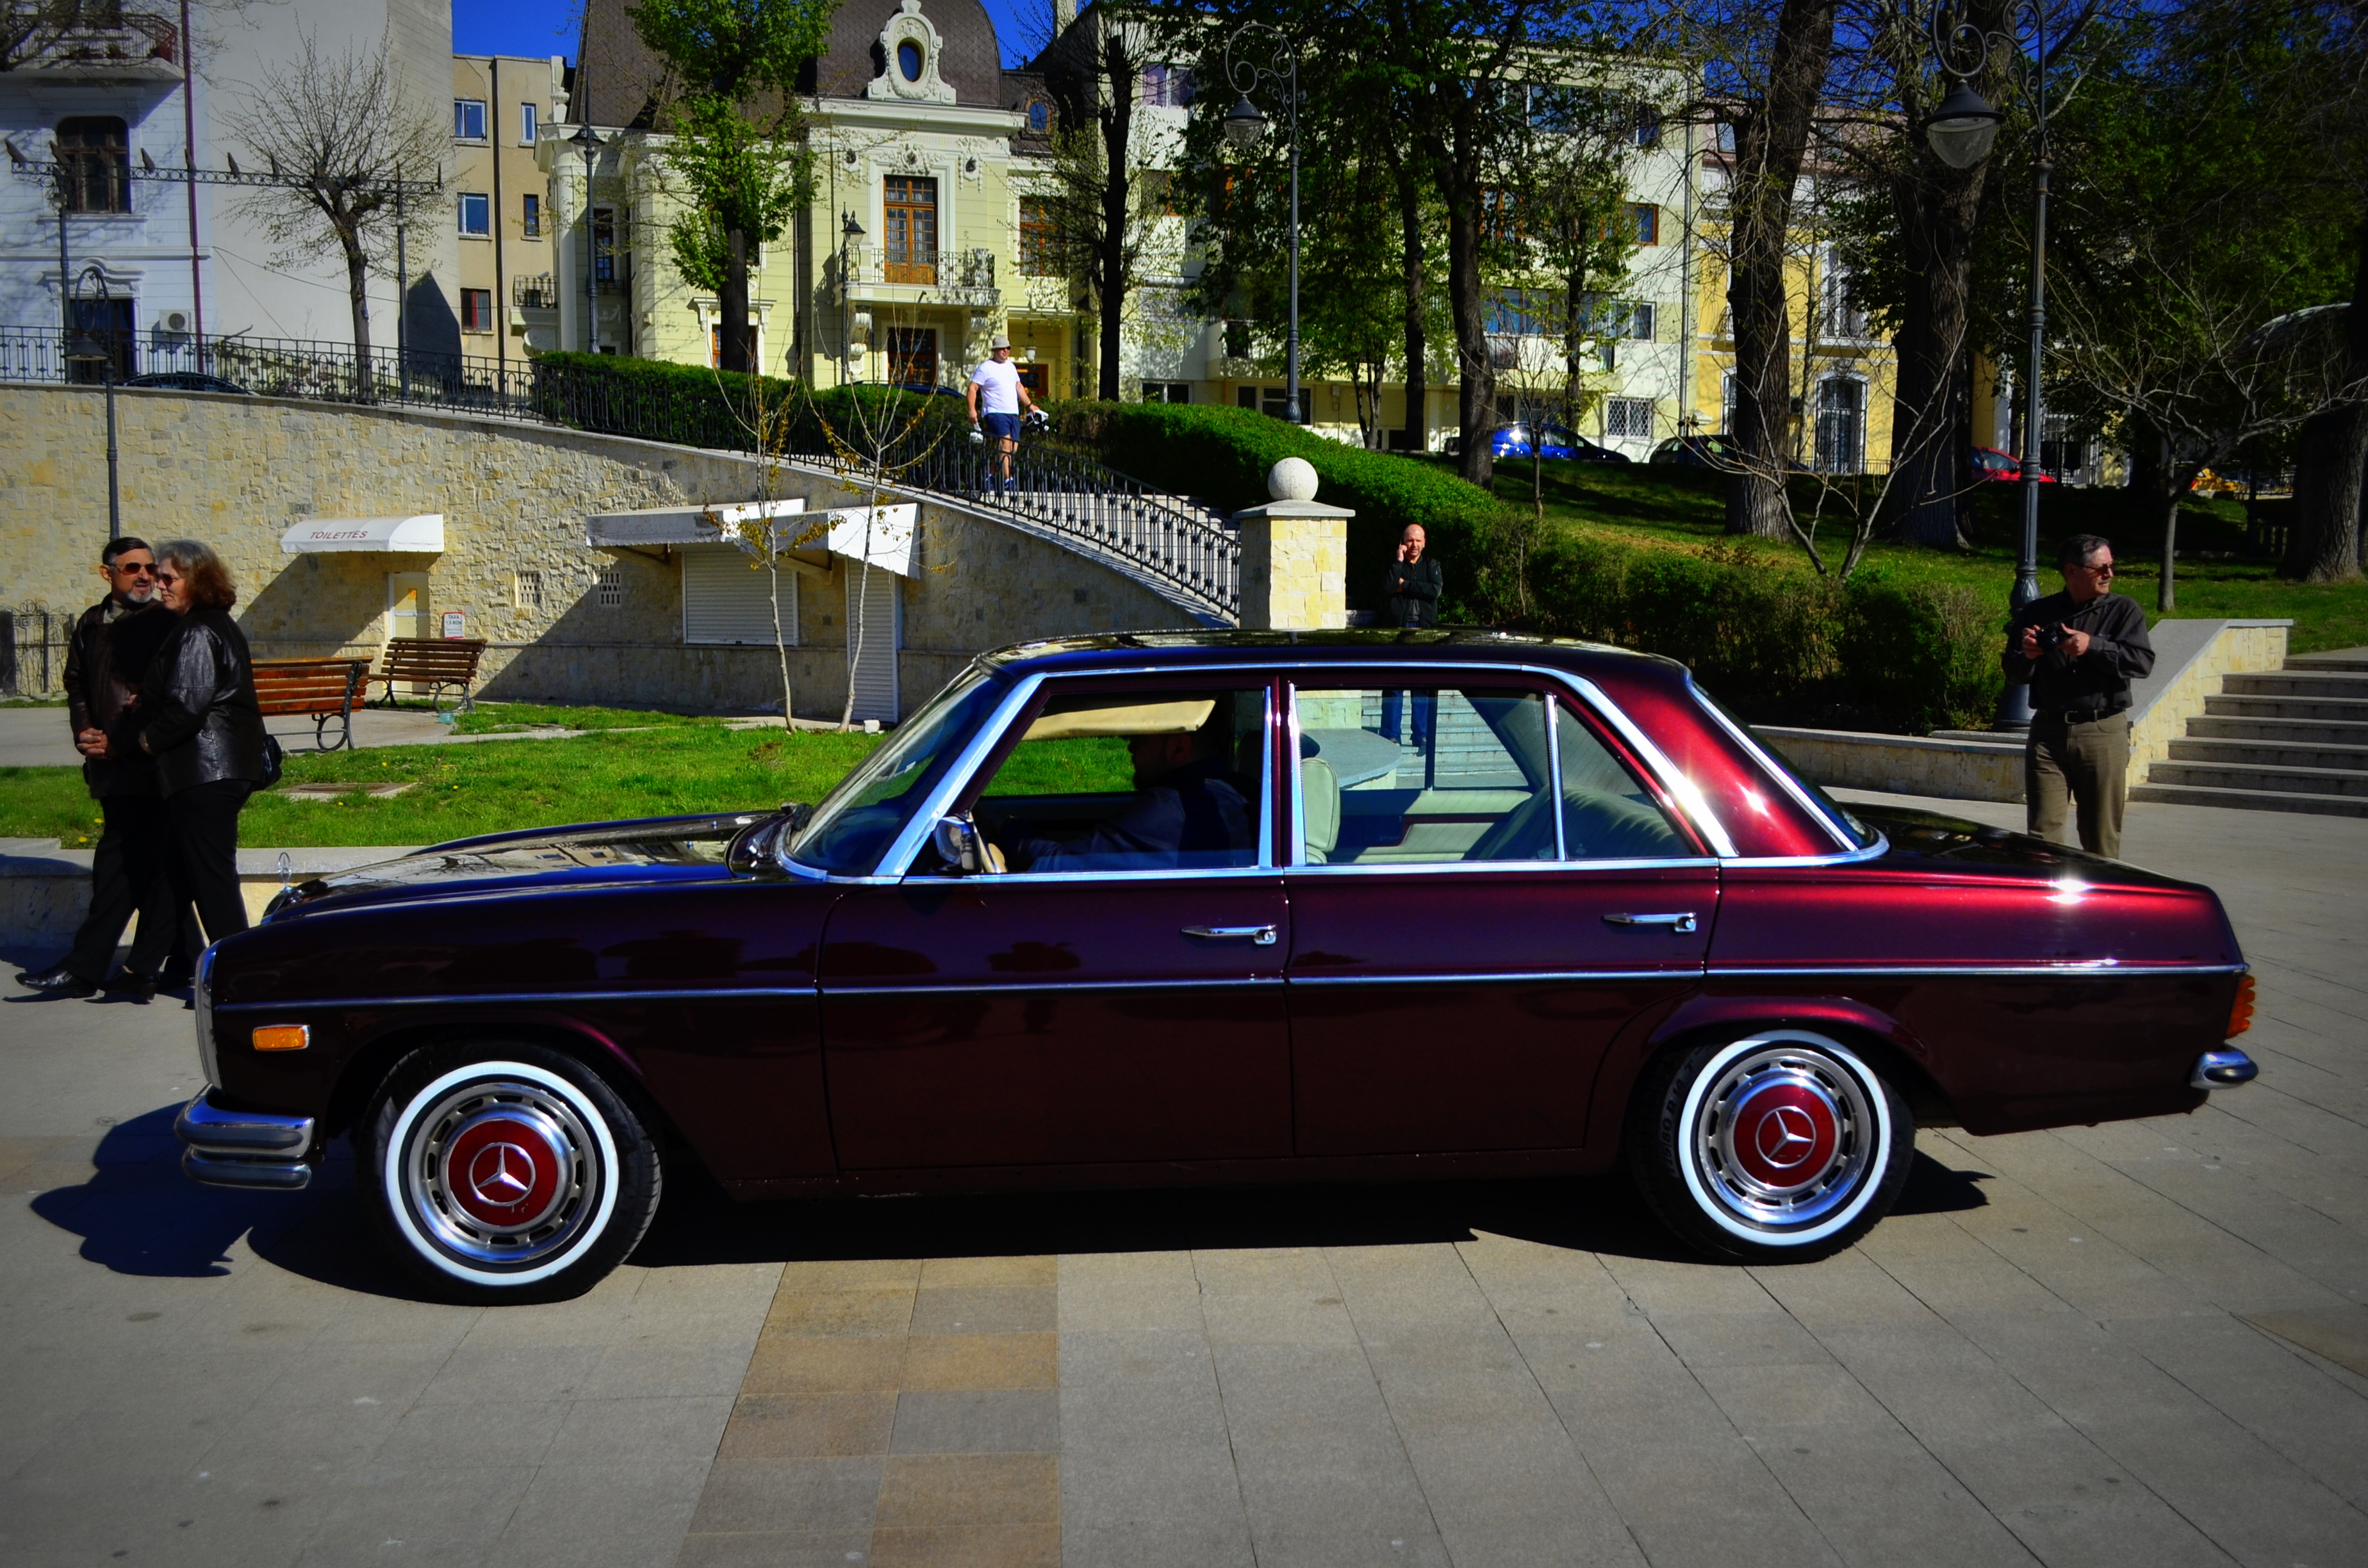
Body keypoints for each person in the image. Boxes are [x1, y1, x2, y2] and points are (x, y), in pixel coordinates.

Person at [14, 537, 202, 1001]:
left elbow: (163, 697)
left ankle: (86, 967)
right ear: (108, 573)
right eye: (133, 568)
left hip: (148, 763)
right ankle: (187, 958)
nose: (145, 577)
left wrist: (120, 741)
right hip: (109, 764)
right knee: (148, 866)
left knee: (120, 865)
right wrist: (86, 732)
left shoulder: (163, 621)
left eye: (151, 569)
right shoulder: (92, 622)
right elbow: (77, 683)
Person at [101, 539, 271, 952]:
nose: (158, 585)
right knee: (174, 876)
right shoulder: (213, 624)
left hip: (204, 771)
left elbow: (188, 706)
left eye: (168, 578)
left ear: (197, 580)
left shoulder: (197, 630)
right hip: (217, 768)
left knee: (212, 880)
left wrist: (144, 741)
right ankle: (142, 969)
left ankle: (241, 969)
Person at [2002, 533, 2155, 858]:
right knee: (2042, 837)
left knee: (2100, 836)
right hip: (2048, 733)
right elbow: (2013, 674)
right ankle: (2047, 890)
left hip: (2102, 732)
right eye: (2101, 568)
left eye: (2112, 566)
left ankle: (2101, 891)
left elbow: (2141, 663)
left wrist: (2092, 646)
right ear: (2072, 571)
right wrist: (2029, 654)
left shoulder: (2124, 610)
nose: (2109, 574)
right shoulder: (2038, 612)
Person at [999, 723, 1251, 872]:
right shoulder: (1243, 790)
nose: (1130, 746)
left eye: (1141, 738)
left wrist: (1007, 830)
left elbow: (1059, 867)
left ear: (1178, 748)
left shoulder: (1171, 808)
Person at [1381, 524, 1442, 749]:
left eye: (1418, 540)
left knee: (1421, 685)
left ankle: (1421, 735)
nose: (1414, 544)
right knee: (1394, 685)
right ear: (1403, 542)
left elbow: (1434, 591)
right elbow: (1387, 587)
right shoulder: (1394, 565)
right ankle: (1391, 735)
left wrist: (1404, 585)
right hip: (1398, 632)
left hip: (1423, 633)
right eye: (1409, 540)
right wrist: (1398, 562)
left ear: (1424, 543)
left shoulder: (1432, 565)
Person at [966, 333, 1039, 493]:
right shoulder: (985, 368)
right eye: (1002, 349)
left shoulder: (1011, 367)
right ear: (995, 350)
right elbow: (972, 388)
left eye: (1008, 348)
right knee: (1005, 443)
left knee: (1011, 449)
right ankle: (1008, 480)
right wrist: (972, 409)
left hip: (1012, 413)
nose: (1006, 351)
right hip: (995, 413)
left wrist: (1030, 405)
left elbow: (1019, 387)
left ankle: (989, 473)